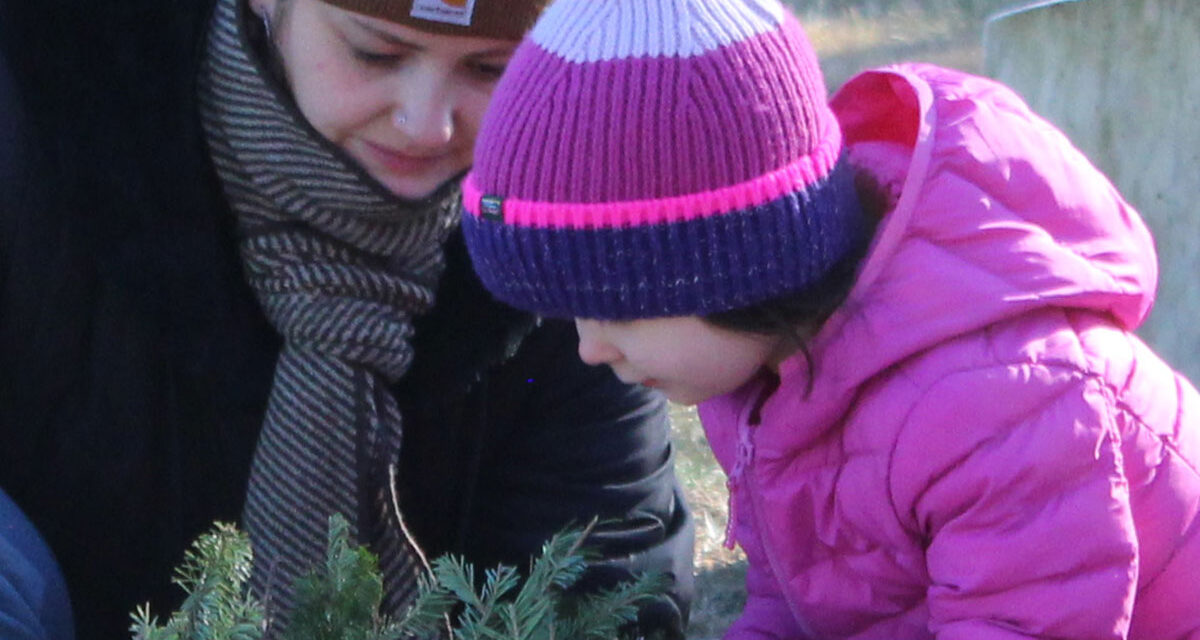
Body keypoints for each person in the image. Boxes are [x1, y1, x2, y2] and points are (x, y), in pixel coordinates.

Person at [461, 0, 1200, 637]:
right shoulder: (766, 371)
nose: (591, 351)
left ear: (732, 264)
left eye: (614, 309)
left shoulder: (995, 402)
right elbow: (805, 597)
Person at [0, 0, 694, 638]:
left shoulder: (563, 226)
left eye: (490, 67)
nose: (427, 121)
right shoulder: (39, 115)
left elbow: (608, 567)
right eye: (377, 54)